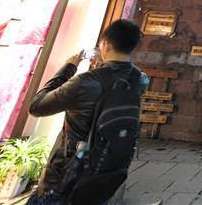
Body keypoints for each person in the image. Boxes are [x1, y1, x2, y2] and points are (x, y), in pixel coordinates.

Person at [27, 19, 147, 204]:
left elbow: (37, 106)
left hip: (64, 177)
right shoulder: (139, 80)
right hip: (102, 176)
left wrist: (68, 68)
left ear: (105, 44)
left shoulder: (84, 82)